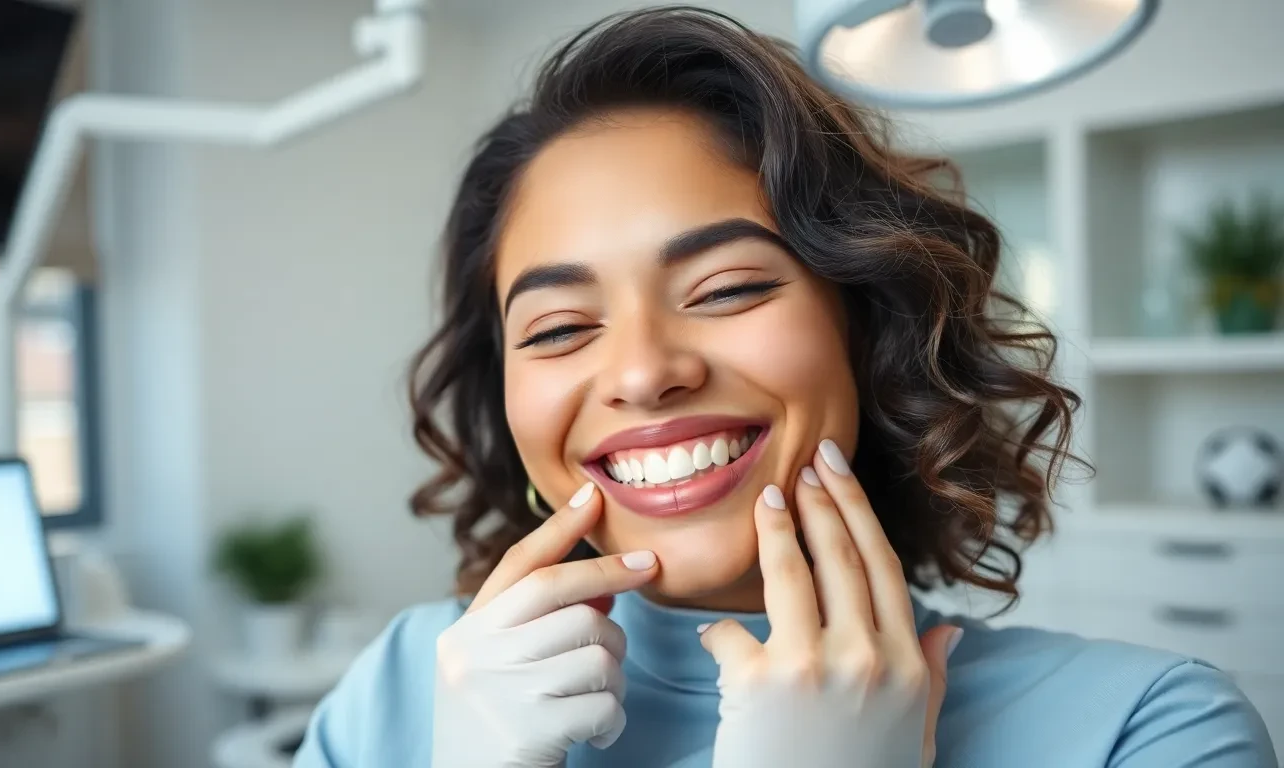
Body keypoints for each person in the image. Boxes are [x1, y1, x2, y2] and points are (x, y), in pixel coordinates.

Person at [293, 8, 1277, 768]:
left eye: (726, 290)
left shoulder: (1149, 730)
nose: (642, 371)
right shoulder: (400, 687)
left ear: (867, 326)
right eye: (558, 329)